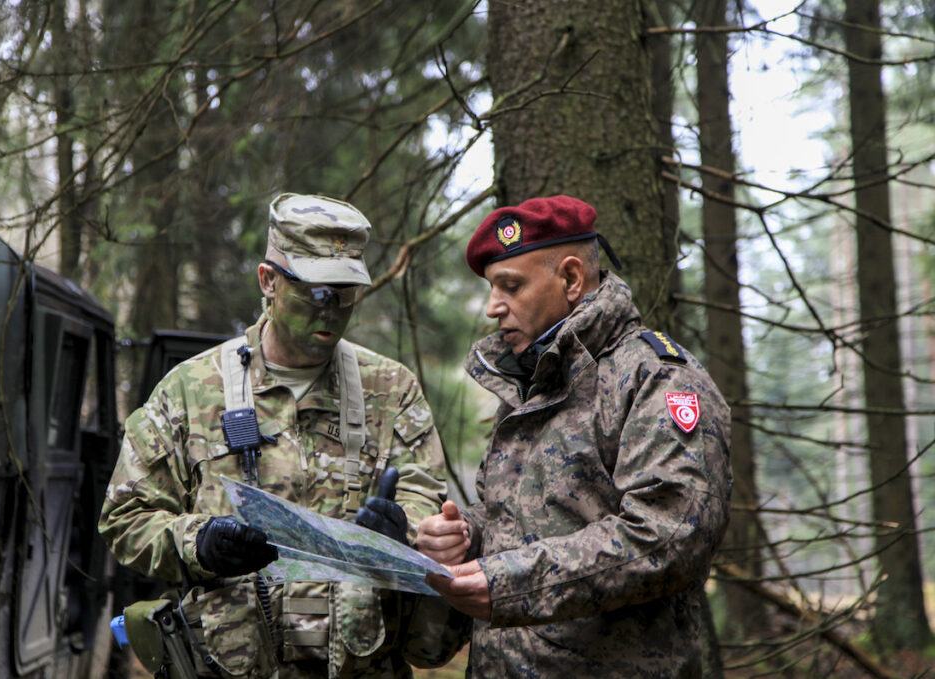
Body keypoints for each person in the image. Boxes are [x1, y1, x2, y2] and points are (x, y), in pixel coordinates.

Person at [99, 193, 452, 678]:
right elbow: (124, 518)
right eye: (315, 291)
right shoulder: (190, 390)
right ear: (268, 280)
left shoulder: (391, 390)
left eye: (345, 292)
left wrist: (400, 531)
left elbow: (429, 512)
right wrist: (197, 543)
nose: (331, 309)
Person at [417, 195, 733, 677]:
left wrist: (507, 581)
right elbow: (527, 522)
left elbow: (668, 535)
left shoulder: (657, 379)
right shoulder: (531, 388)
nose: (491, 308)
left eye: (510, 286)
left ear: (570, 279)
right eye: (490, 288)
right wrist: (466, 536)